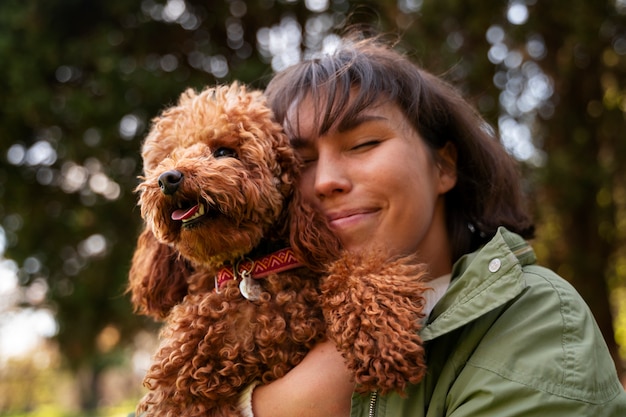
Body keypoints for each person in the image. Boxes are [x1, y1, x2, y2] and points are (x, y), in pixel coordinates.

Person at [239, 32, 626, 416]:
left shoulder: (532, 317)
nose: (325, 181)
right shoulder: (264, 329)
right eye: (301, 161)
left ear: (443, 166)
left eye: (363, 144)